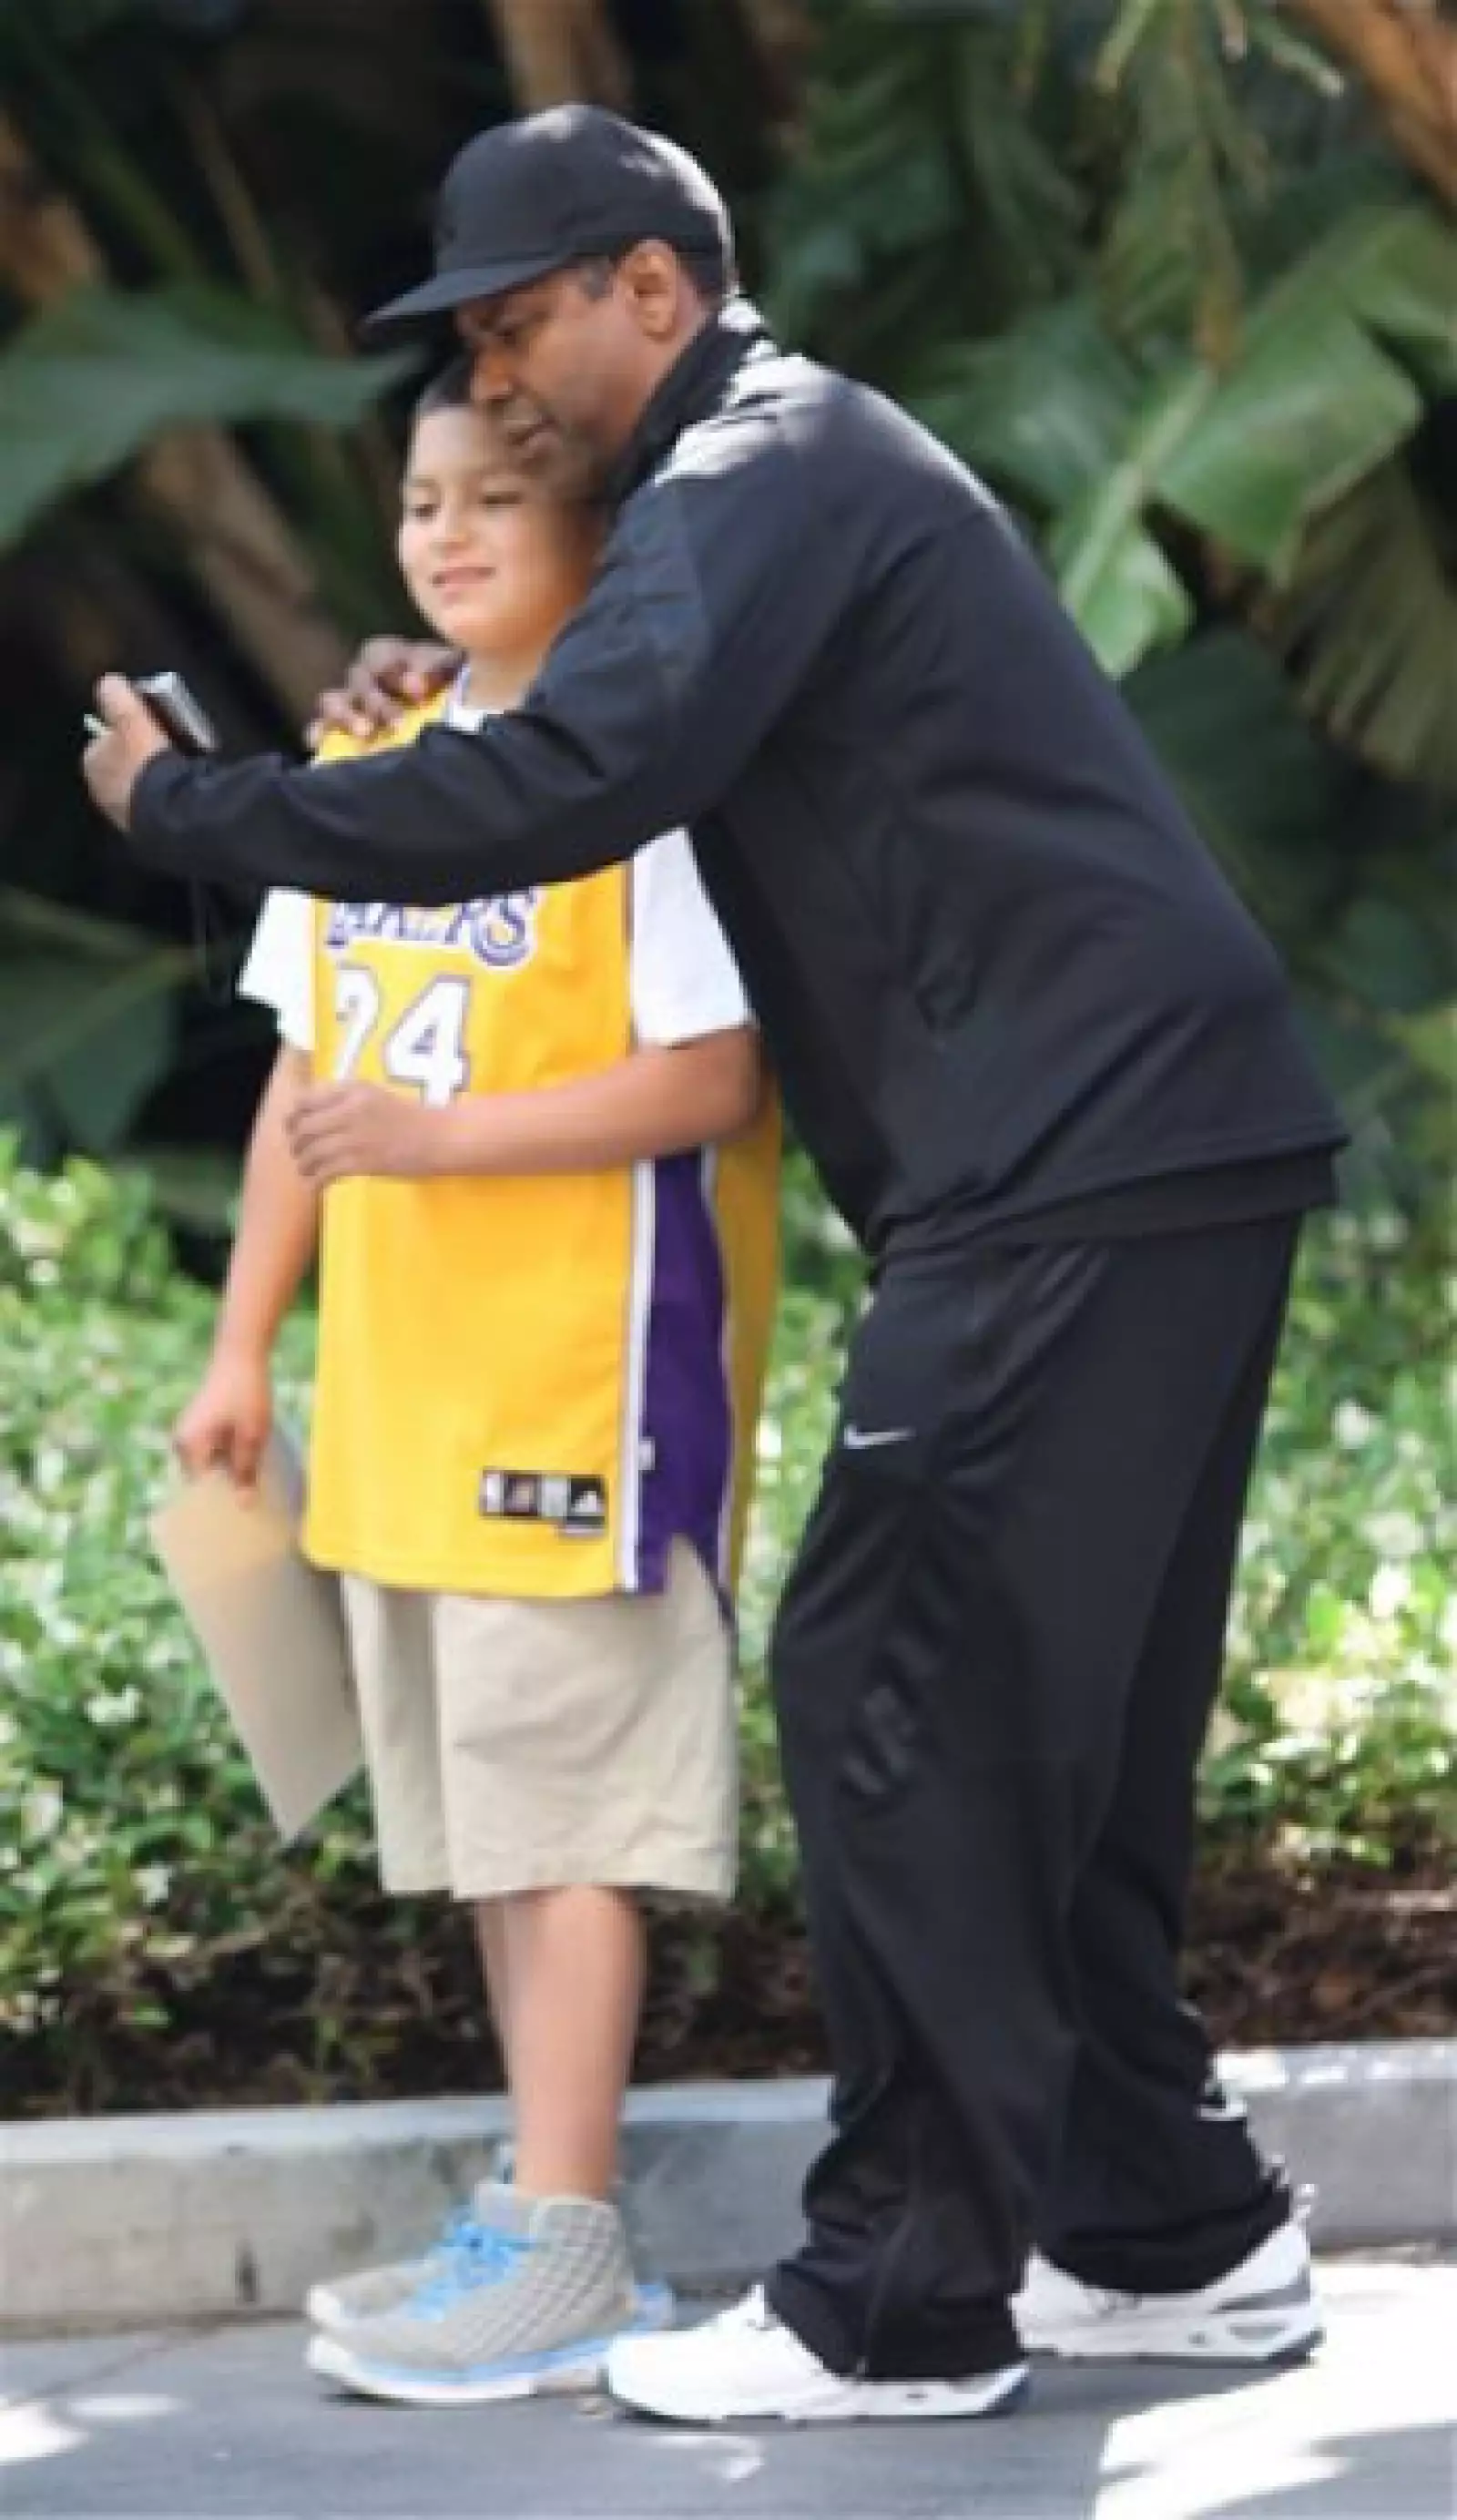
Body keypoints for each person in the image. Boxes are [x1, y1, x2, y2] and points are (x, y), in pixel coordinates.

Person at [86, 104, 1346, 2428]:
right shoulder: (757, 482)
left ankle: (898, 2303)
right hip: (1136, 1138)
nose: (492, 371)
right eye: (470, 339)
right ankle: (1171, 2237)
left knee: (891, 1679)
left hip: (1076, 1153)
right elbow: (586, 724)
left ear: (650, 286)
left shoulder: (758, 465)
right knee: (1040, 1716)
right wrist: (449, 690)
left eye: (514, 320)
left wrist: (202, 810)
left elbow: (574, 775)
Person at [168, 354, 780, 2408]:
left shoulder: (649, 785)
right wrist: (243, 1347)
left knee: (568, 1826)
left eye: (492, 503)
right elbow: (304, 1072)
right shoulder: (375, 764)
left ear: (600, 542)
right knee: (497, 1836)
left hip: (577, 1400)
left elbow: (714, 1077)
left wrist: (437, 1145)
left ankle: (572, 2237)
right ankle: (540, 2217)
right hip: (406, 1409)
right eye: (422, 498)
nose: (441, 534)